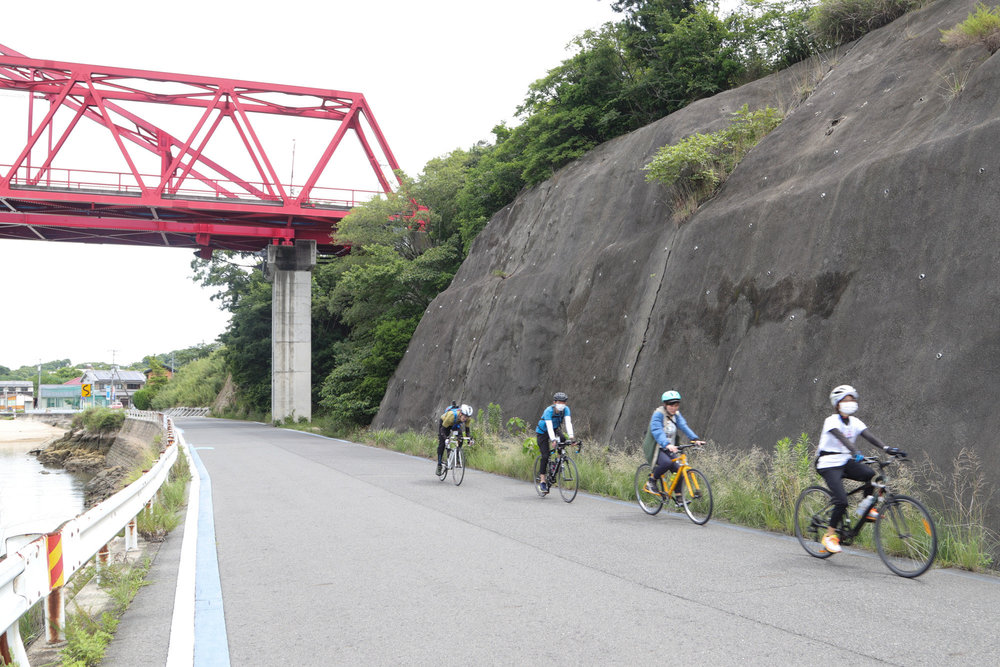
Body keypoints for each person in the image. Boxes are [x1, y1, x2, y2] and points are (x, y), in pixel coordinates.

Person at [816, 385, 904, 554]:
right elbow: (841, 438)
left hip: (844, 461)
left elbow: (869, 436)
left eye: (852, 399)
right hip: (828, 464)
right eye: (846, 400)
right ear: (837, 403)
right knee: (841, 501)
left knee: (871, 475)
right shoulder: (831, 421)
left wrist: (888, 448)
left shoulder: (855, 422)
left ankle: (866, 508)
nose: (850, 402)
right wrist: (855, 451)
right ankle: (829, 536)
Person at [642, 390, 705, 498]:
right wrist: (667, 444)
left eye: (676, 405)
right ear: (665, 405)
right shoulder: (658, 414)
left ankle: (679, 496)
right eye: (671, 405)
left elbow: (684, 427)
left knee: (678, 469)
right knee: (667, 463)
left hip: (669, 448)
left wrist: (695, 439)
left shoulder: (676, 415)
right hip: (657, 447)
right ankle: (651, 481)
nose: (674, 407)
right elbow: (657, 431)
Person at [535, 392, 575, 494]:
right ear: (555, 402)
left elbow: (568, 423)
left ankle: (557, 462)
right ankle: (543, 481)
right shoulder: (548, 410)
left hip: (555, 429)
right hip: (543, 432)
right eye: (559, 402)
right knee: (545, 455)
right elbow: (548, 426)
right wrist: (553, 439)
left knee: (563, 440)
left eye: (563, 402)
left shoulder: (566, 410)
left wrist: (571, 438)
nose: (561, 404)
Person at [437, 403, 473, 475]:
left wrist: (469, 440)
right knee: (442, 443)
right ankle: (439, 465)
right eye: (464, 416)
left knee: (460, 438)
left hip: (455, 425)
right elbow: (442, 430)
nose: (465, 419)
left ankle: (457, 456)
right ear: (460, 413)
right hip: (445, 424)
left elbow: (467, 430)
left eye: (467, 417)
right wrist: (445, 438)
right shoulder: (451, 415)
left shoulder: (467, 419)